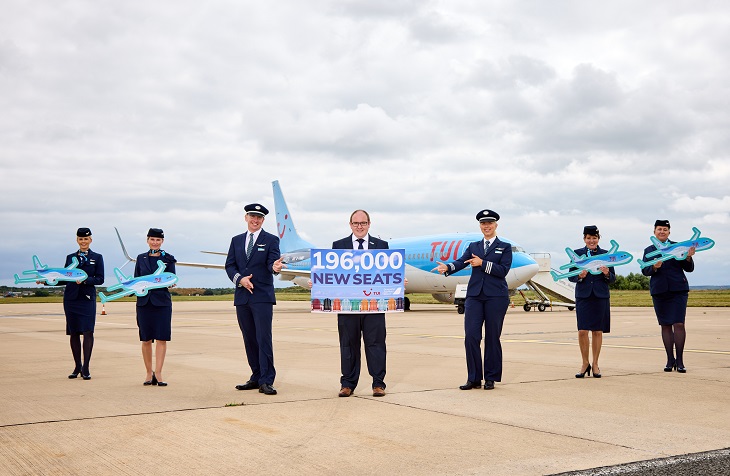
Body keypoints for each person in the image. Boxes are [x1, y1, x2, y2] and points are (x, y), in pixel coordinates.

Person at [434, 209, 512, 390]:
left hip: (496, 297)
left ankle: (491, 377)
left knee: (492, 337)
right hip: (475, 296)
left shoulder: (505, 247)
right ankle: (474, 378)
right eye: (483, 223)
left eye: (490, 223)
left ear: (496, 225)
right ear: (480, 226)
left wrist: (482, 264)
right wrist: (448, 267)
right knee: (471, 336)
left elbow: (503, 271)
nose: (487, 226)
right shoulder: (474, 246)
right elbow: (462, 261)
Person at [226, 203, 285, 395]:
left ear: (263, 220)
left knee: (263, 338)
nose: (255, 220)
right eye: (252, 216)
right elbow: (230, 266)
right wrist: (240, 280)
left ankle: (267, 380)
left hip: (262, 297)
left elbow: (272, 264)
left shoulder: (271, 240)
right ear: (246, 218)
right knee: (249, 338)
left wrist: (275, 268)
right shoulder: (236, 240)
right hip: (242, 297)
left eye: (259, 217)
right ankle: (256, 376)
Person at [332, 210, 389, 397]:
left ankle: (378, 383)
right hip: (347, 305)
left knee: (376, 344)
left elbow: (387, 272)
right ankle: (347, 383)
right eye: (356, 223)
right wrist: (318, 282)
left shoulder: (381, 246)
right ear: (350, 225)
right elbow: (332, 274)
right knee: (348, 344)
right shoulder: (338, 246)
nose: (359, 226)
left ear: (369, 224)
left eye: (363, 223)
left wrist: (397, 282)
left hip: (374, 304)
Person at [641, 219, 694, 373]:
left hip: (678, 289)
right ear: (654, 232)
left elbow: (689, 268)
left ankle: (680, 361)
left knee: (679, 324)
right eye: (659, 229)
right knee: (665, 325)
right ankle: (670, 360)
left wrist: (688, 257)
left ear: (669, 232)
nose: (662, 231)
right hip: (660, 291)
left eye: (665, 229)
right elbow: (645, 271)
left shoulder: (678, 246)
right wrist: (654, 267)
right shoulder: (649, 250)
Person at [56, 228, 105, 380]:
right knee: (74, 332)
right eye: (80, 239)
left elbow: (100, 279)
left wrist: (85, 280)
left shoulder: (97, 257)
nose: (83, 242)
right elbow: (64, 277)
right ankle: (77, 366)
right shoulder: (70, 257)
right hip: (71, 299)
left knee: (88, 331)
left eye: (86, 239)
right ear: (77, 240)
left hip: (86, 298)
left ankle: (86, 367)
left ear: (91, 240)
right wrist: (47, 281)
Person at [568, 225, 615, 379]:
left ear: (598, 239)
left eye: (594, 238)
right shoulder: (577, 254)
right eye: (588, 238)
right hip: (584, 296)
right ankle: (584, 363)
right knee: (582, 331)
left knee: (597, 331)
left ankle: (595, 364)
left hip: (600, 296)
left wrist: (607, 273)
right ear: (584, 239)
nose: (591, 241)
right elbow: (571, 276)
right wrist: (580, 276)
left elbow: (613, 279)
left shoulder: (606, 254)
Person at [135, 228, 177, 387]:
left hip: (162, 302)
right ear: (147, 240)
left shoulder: (169, 259)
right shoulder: (140, 258)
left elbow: (172, 278)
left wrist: (171, 283)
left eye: (158, 240)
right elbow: (136, 279)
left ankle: (158, 373)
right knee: (145, 339)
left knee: (161, 338)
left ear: (162, 241)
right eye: (152, 239)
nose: (155, 242)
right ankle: (148, 373)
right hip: (144, 302)